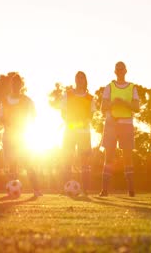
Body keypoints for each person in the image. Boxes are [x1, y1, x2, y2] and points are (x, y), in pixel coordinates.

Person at [99, 62, 140, 197]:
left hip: (126, 124)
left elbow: (136, 107)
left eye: (122, 68)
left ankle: (131, 190)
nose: (120, 71)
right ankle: (104, 190)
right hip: (111, 124)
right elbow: (103, 107)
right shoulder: (109, 87)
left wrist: (124, 103)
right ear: (115, 71)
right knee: (108, 156)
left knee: (128, 157)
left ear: (126, 71)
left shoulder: (132, 87)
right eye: (118, 69)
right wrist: (113, 103)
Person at [0, 75, 42, 197]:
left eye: (18, 83)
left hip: (23, 137)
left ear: (21, 85)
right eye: (13, 83)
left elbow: (34, 116)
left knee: (28, 163)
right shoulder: (4, 101)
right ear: (11, 85)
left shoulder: (27, 101)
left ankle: (36, 190)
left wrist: (24, 126)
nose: (15, 85)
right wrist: (10, 124)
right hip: (8, 136)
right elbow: (1, 118)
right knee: (12, 164)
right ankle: (12, 190)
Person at [60, 71, 95, 195]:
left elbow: (91, 114)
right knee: (67, 159)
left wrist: (85, 121)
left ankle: (85, 189)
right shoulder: (68, 94)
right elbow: (63, 112)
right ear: (75, 80)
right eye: (78, 78)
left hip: (84, 133)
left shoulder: (90, 97)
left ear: (85, 80)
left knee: (84, 161)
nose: (80, 80)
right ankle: (66, 188)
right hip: (70, 131)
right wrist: (69, 121)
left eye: (82, 78)